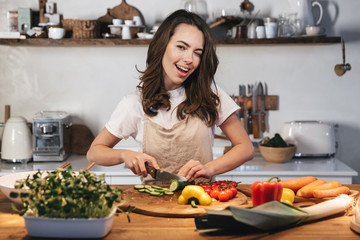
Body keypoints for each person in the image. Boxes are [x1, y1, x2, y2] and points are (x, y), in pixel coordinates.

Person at [87, 9, 254, 184]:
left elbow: (245, 148)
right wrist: (124, 154)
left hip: (201, 204)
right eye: (181, 47)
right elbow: (95, 152)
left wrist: (209, 168)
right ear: (162, 46)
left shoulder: (210, 93)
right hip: (153, 207)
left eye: (197, 52)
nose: (189, 59)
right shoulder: (134, 103)